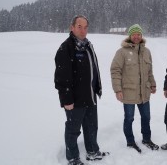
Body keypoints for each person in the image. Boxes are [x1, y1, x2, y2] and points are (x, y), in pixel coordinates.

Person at [54, 15, 109, 165]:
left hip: (90, 96)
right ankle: (72, 158)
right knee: (73, 130)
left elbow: (94, 69)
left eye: (85, 27)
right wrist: (66, 100)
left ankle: (92, 152)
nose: (83, 30)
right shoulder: (66, 48)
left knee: (91, 127)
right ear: (72, 27)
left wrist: (97, 87)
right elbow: (61, 78)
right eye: (79, 27)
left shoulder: (88, 45)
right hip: (74, 100)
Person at [110, 24, 159, 153]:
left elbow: (149, 71)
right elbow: (115, 71)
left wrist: (153, 84)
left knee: (146, 117)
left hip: (144, 92)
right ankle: (130, 142)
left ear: (141, 36)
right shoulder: (122, 52)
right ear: (130, 36)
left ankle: (146, 139)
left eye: (138, 34)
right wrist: (118, 90)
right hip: (129, 92)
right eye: (134, 34)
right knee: (129, 118)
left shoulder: (146, 51)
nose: (136, 36)